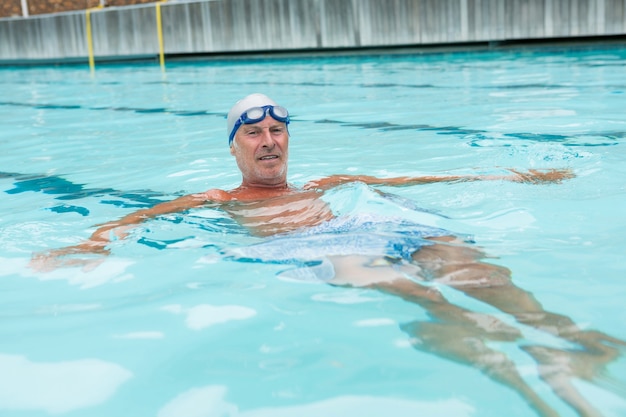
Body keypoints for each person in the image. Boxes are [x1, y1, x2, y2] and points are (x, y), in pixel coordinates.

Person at [32, 93, 623, 417]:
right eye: (253, 133)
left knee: (465, 260)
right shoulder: (216, 197)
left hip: (369, 226)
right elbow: (138, 218)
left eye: (277, 130)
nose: (268, 141)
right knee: (407, 286)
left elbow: (422, 179)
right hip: (310, 248)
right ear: (234, 147)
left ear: (288, 138)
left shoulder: (327, 184)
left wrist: (515, 179)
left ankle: (563, 341)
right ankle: (516, 369)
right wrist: (90, 243)